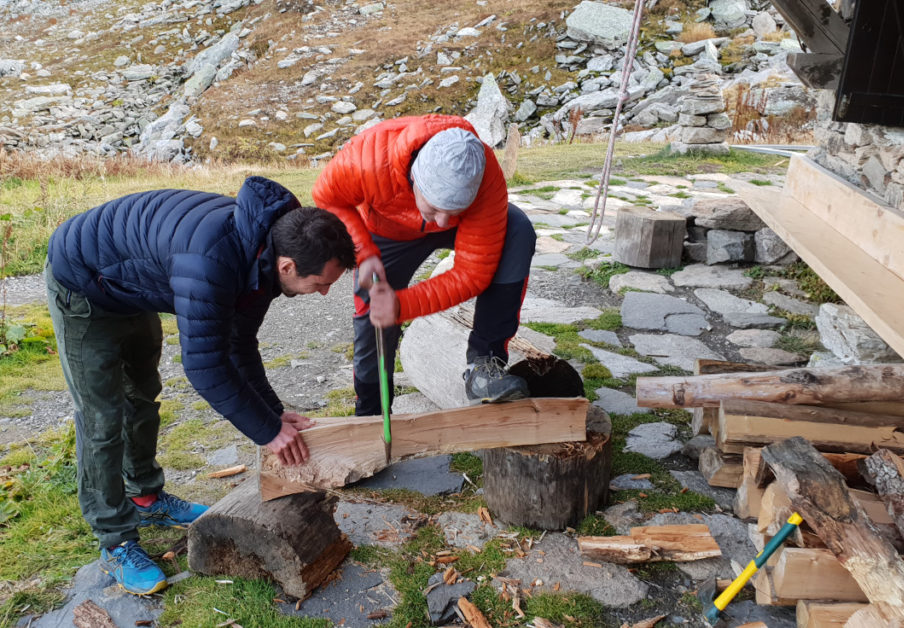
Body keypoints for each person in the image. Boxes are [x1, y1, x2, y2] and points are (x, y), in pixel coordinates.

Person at [45, 176, 355, 596]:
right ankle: (115, 540)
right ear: (288, 267)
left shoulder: (264, 254)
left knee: (141, 397)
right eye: (321, 283)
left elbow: (238, 345)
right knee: (103, 417)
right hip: (83, 282)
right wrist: (267, 432)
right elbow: (205, 366)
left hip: (130, 288)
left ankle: (145, 498)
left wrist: (273, 414)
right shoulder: (214, 261)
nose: (323, 293)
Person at [312, 115, 537, 416]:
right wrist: (364, 252)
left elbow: (472, 274)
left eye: (452, 209)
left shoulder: (485, 179)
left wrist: (402, 306)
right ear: (415, 178)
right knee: (372, 316)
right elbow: (328, 196)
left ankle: (483, 367)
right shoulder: (368, 158)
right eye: (434, 207)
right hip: (386, 230)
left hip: (468, 226)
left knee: (517, 230)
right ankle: (371, 411)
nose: (441, 220)